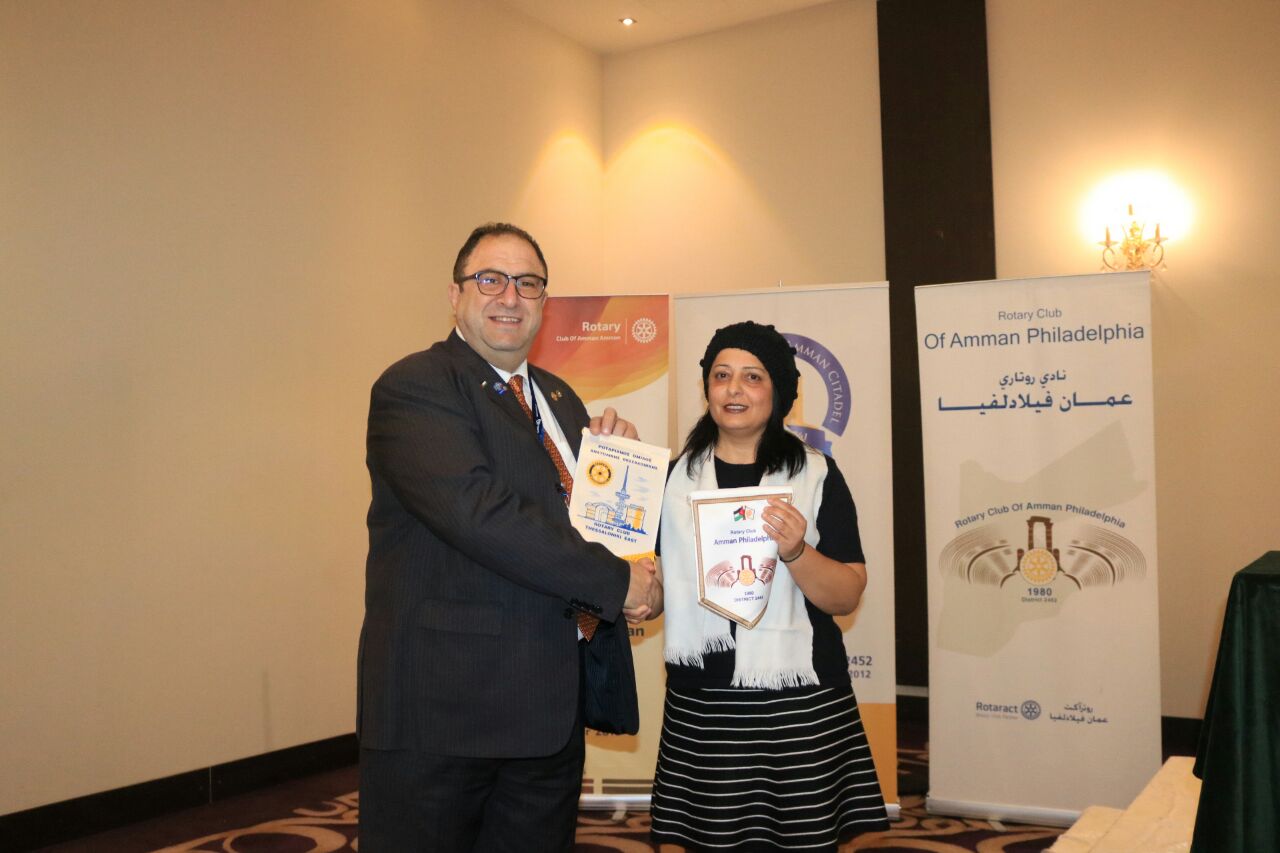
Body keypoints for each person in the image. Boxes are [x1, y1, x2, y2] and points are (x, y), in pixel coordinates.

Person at [357, 222, 661, 852]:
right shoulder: (417, 385)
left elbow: (572, 522)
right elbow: (480, 515)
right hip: (446, 714)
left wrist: (618, 480)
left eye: (528, 283)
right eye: (490, 279)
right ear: (455, 295)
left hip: (547, 713)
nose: (510, 297)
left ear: (544, 302)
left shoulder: (561, 400)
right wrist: (615, 582)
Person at [650, 321, 889, 851]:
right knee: (706, 839)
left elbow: (847, 594)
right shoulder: (671, 481)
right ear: (707, 389)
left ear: (778, 392)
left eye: (752, 377)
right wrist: (636, 596)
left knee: (803, 838)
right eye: (721, 375)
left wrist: (797, 551)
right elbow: (660, 588)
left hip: (800, 696)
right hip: (704, 698)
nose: (734, 389)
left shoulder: (817, 475)